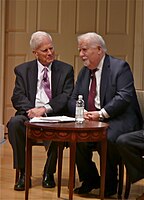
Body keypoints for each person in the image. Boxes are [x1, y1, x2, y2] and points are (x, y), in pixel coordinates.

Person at [68, 32, 143, 197]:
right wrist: (84, 112)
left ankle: (110, 182)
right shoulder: (84, 72)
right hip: (92, 119)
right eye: (80, 50)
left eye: (84, 50)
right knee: (77, 136)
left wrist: (101, 114)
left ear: (99, 49)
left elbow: (124, 97)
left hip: (120, 118)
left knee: (107, 136)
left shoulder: (119, 67)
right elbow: (73, 99)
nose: (81, 55)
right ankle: (91, 179)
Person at [7, 31, 74, 191]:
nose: (50, 53)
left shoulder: (66, 70)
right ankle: (23, 172)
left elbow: (66, 95)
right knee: (14, 124)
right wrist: (33, 111)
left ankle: (49, 172)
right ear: (35, 53)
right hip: (30, 115)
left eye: (51, 48)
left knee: (58, 128)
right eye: (45, 50)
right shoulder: (23, 70)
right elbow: (17, 96)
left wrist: (44, 109)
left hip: (53, 114)